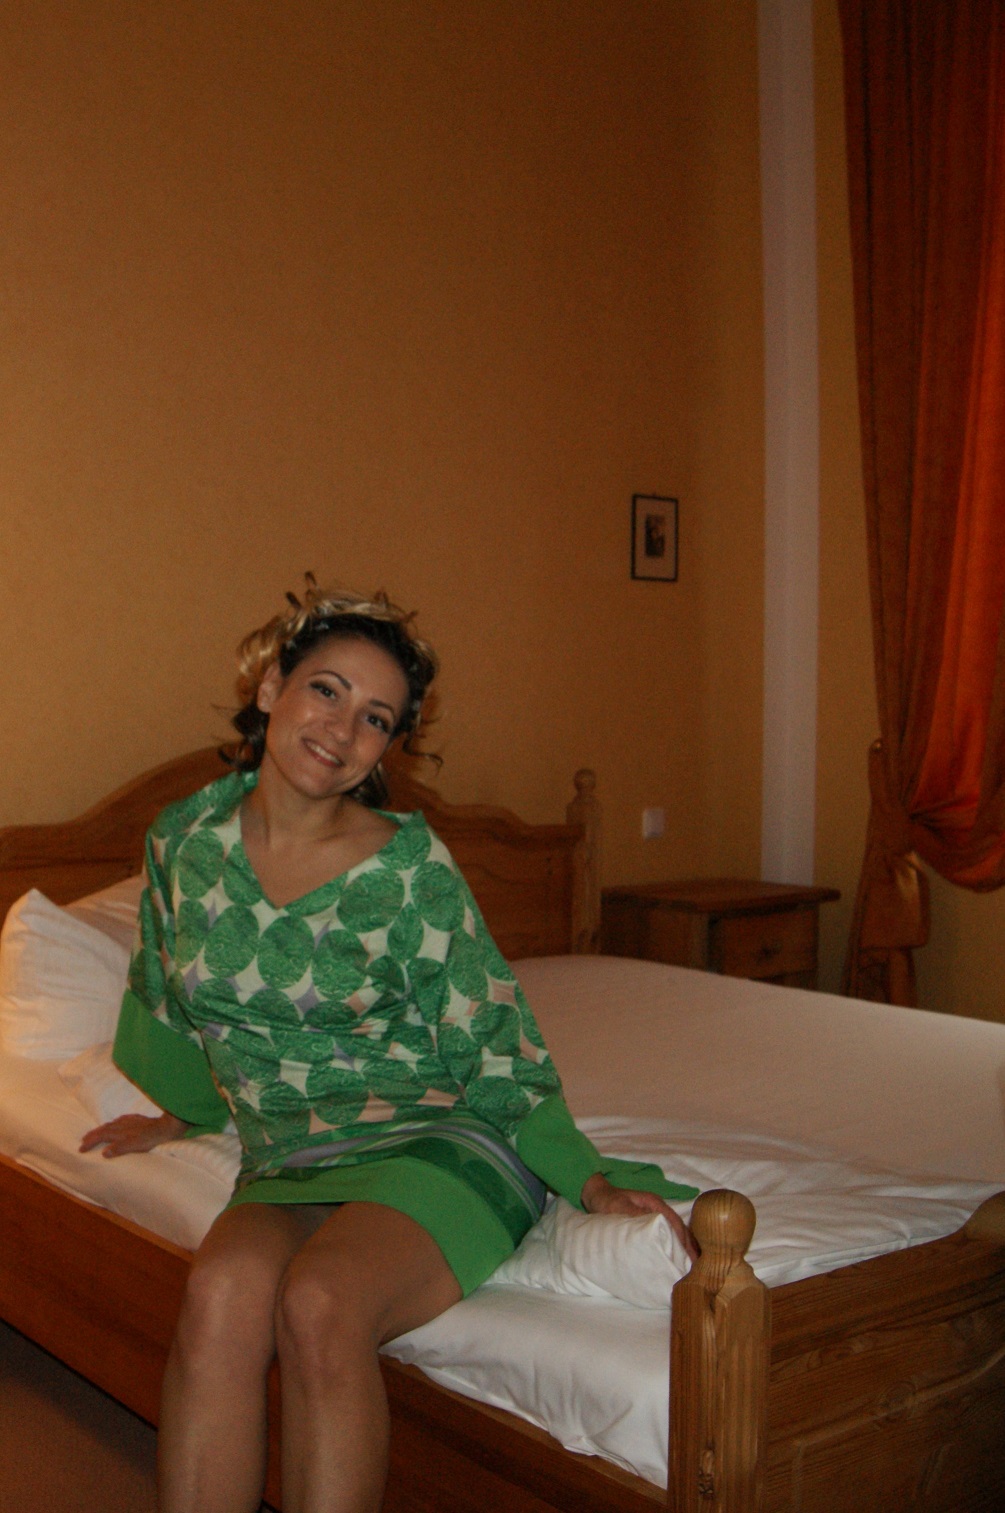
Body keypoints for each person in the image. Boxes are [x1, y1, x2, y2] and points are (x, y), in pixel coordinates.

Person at [81, 578, 698, 1513]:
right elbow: (171, 994)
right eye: (325, 690)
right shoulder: (183, 843)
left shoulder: (409, 870)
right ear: (269, 686)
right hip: (291, 1152)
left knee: (320, 1301)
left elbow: (492, 1037)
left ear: (386, 748)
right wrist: (181, 1114)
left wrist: (586, 1177)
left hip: (436, 1137)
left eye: (375, 717)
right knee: (218, 1295)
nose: (341, 728)